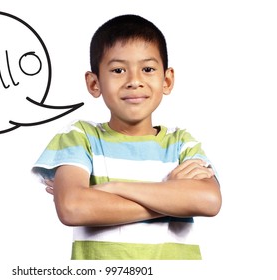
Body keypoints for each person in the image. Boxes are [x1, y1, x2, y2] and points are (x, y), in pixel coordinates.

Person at [32, 14, 222, 260]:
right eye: (118, 70)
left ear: (166, 80)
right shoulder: (80, 136)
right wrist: (171, 197)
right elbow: (72, 208)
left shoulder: (181, 143)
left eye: (148, 69)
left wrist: (113, 188)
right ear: (94, 83)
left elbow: (209, 201)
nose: (134, 81)